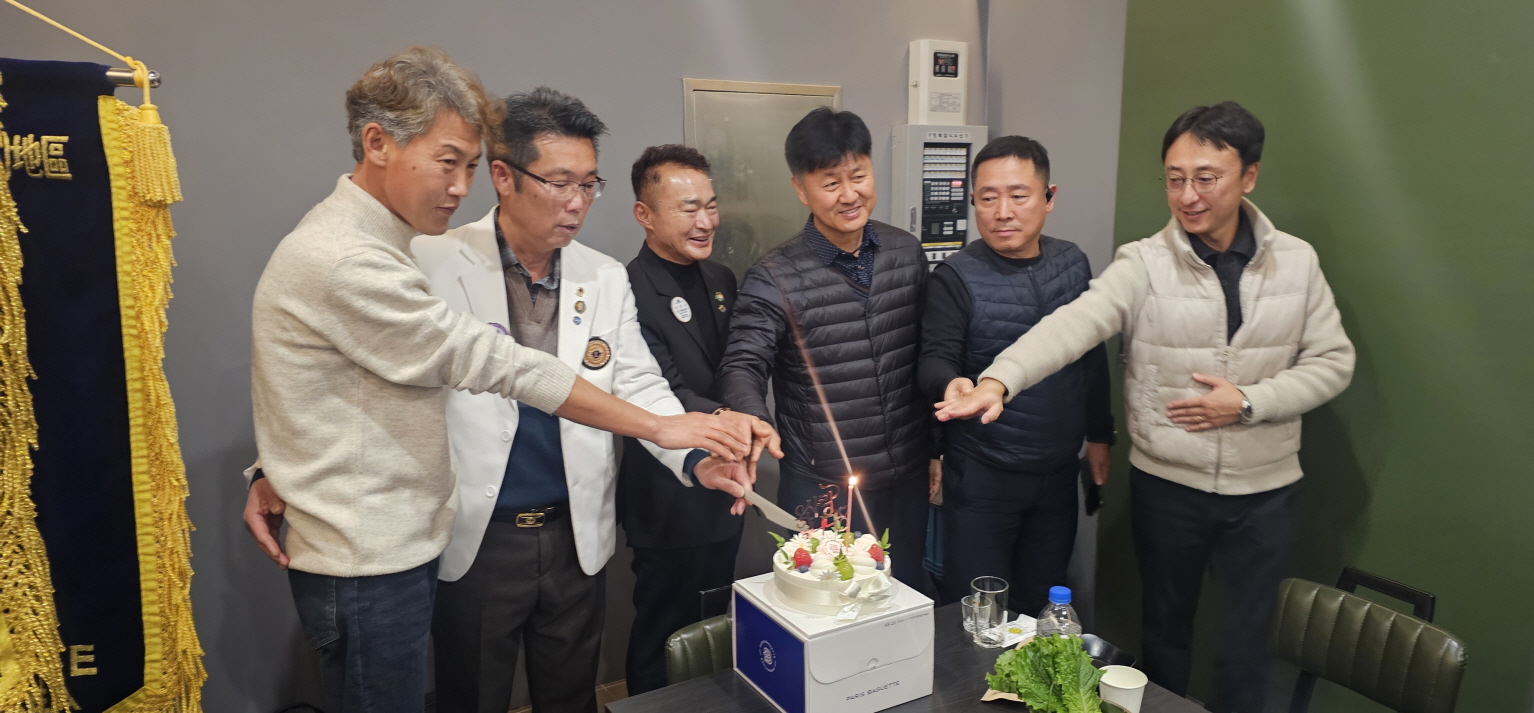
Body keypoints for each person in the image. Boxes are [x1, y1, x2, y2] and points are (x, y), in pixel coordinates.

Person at [244, 53, 749, 713]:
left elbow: (638, 380)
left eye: (589, 184)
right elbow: (400, 368)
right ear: (506, 178)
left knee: (570, 695)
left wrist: (692, 453)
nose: (576, 202)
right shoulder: (424, 257)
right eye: (559, 182)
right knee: (471, 694)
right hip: (472, 533)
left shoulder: (602, 276)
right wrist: (272, 466)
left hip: (575, 531)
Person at [935, 102, 1355, 713]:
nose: (1187, 195)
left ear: (1249, 176)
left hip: (1265, 492)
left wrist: (1249, 402)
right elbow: (1074, 325)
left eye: (1205, 178)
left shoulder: (1297, 261)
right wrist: (999, 381)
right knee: (1162, 637)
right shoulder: (1143, 262)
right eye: (1175, 179)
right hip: (1168, 486)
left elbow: (1333, 362)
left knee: (1249, 646)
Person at [718, 107, 934, 588]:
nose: (850, 194)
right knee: (826, 604)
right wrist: (751, 415)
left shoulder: (906, 253)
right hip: (823, 486)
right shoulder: (773, 276)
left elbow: (930, 356)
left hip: (906, 476)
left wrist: (936, 450)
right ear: (801, 189)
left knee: (903, 597)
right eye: (831, 183)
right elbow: (742, 363)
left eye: (858, 176)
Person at [918, 136, 1114, 615]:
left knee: (1043, 604)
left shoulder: (1072, 262)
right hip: (983, 476)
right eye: (988, 198)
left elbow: (1091, 357)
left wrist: (1099, 436)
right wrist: (950, 384)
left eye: (1018, 196)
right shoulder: (955, 276)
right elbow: (934, 357)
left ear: (1049, 197)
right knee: (978, 613)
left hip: (1057, 475)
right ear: (973, 202)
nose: (1002, 212)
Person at [619, 144, 781, 695]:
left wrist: (738, 421)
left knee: (712, 626)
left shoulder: (720, 278)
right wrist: (733, 419)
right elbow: (660, 389)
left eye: (711, 206)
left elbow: (737, 367)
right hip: (668, 493)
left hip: (726, 480)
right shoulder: (628, 288)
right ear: (645, 214)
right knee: (664, 630)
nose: (706, 221)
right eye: (689, 209)